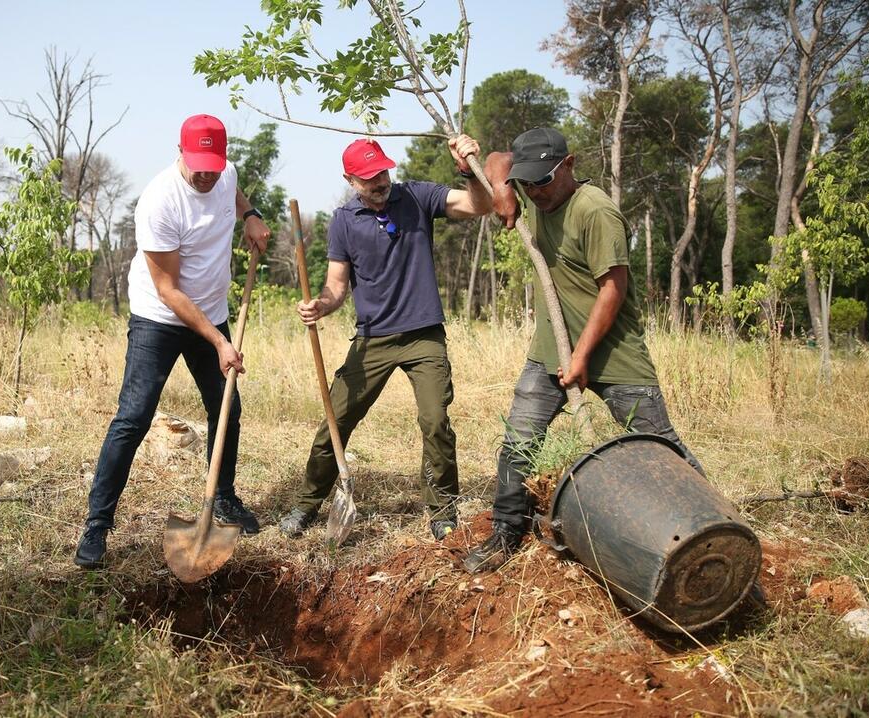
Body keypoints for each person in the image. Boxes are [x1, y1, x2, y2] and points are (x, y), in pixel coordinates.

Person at [463, 127, 705, 573]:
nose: (535, 191)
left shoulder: (595, 212)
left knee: (659, 445)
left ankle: (705, 526)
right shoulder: (529, 187)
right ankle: (505, 533)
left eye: (544, 181)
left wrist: (581, 357)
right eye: (527, 182)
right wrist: (502, 189)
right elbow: (496, 158)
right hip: (548, 351)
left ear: (570, 164)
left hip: (614, 353)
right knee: (519, 441)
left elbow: (612, 291)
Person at [74, 114, 271, 568]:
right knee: (134, 416)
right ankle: (98, 524)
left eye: (214, 164)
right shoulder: (159, 201)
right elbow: (169, 290)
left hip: (212, 312)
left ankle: (222, 498)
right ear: (178, 152)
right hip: (159, 316)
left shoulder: (225, 174)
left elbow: (235, 193)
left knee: (227, 407)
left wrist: (251, 215)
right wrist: (219, 342)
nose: (206, 173)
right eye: (197, 163)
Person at [278, 135, 492, 540]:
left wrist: (467, 169)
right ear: (350, 180)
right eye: (368, 177)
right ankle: (306, 505)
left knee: (435, 420)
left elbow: (480, 205)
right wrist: (320, 306)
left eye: (382, 172)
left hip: (423, 334)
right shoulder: (343, 221)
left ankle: (443, 510)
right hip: (372, 337)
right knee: (335, 422)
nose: (379, 182)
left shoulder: (418, 197)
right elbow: (336, 287)